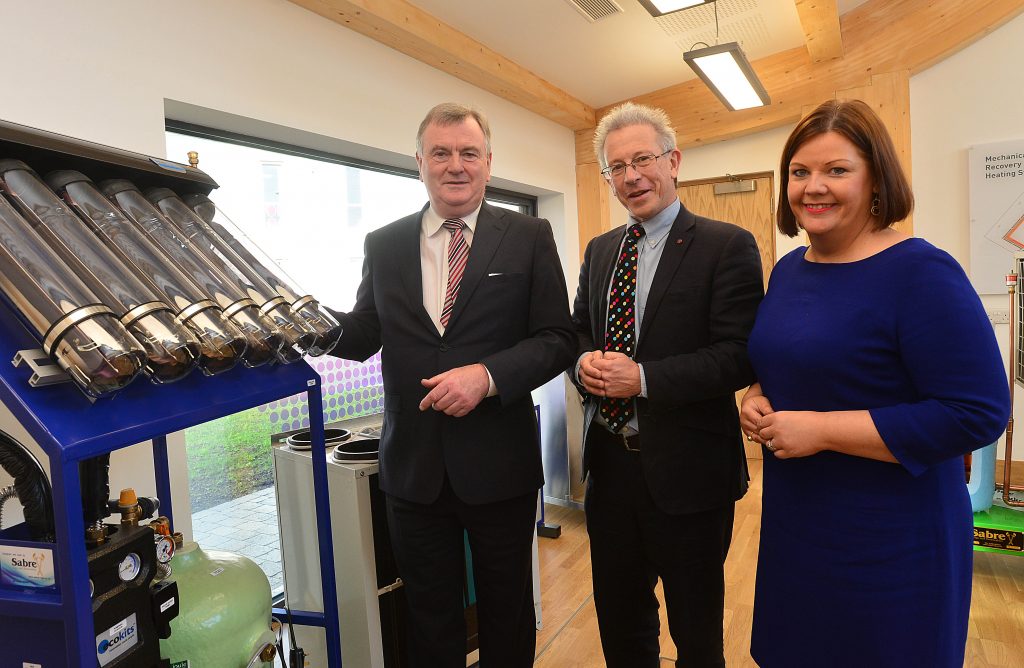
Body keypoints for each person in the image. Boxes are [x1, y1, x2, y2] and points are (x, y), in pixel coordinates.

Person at [742, 99, 1010, 667]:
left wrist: (822, 431)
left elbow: (978, 411)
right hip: (799, 524)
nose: (814, 186)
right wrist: (756, 396)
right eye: (799, 172)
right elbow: (784, 362)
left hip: (893, 539)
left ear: (876, 181)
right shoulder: (789, 269)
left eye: (837, 170)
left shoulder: (921, 273)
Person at [328, 102, 575, 667]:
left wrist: (486, 377)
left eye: (469, 153)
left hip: (499, 465)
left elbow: (557, 338)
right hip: (414, 468)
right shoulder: (384, 243)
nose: (455, 165)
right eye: (441, 153)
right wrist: (307, 323)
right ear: (420, 162)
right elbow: (365, 333)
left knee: (506, 609)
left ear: (489, 163)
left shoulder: (528, 235)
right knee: (428, 613)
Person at [570, 101, 764, 667]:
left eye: (643, 160)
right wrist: (583, 364)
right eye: (616, 167)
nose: (631, 177)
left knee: (696, 626)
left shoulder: (726, 245)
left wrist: (645, 378)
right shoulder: (601, 250)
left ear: (673, 161)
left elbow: (737, 357)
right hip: (610, 470)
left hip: (689, 474)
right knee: (621, 621)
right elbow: (579, 330)